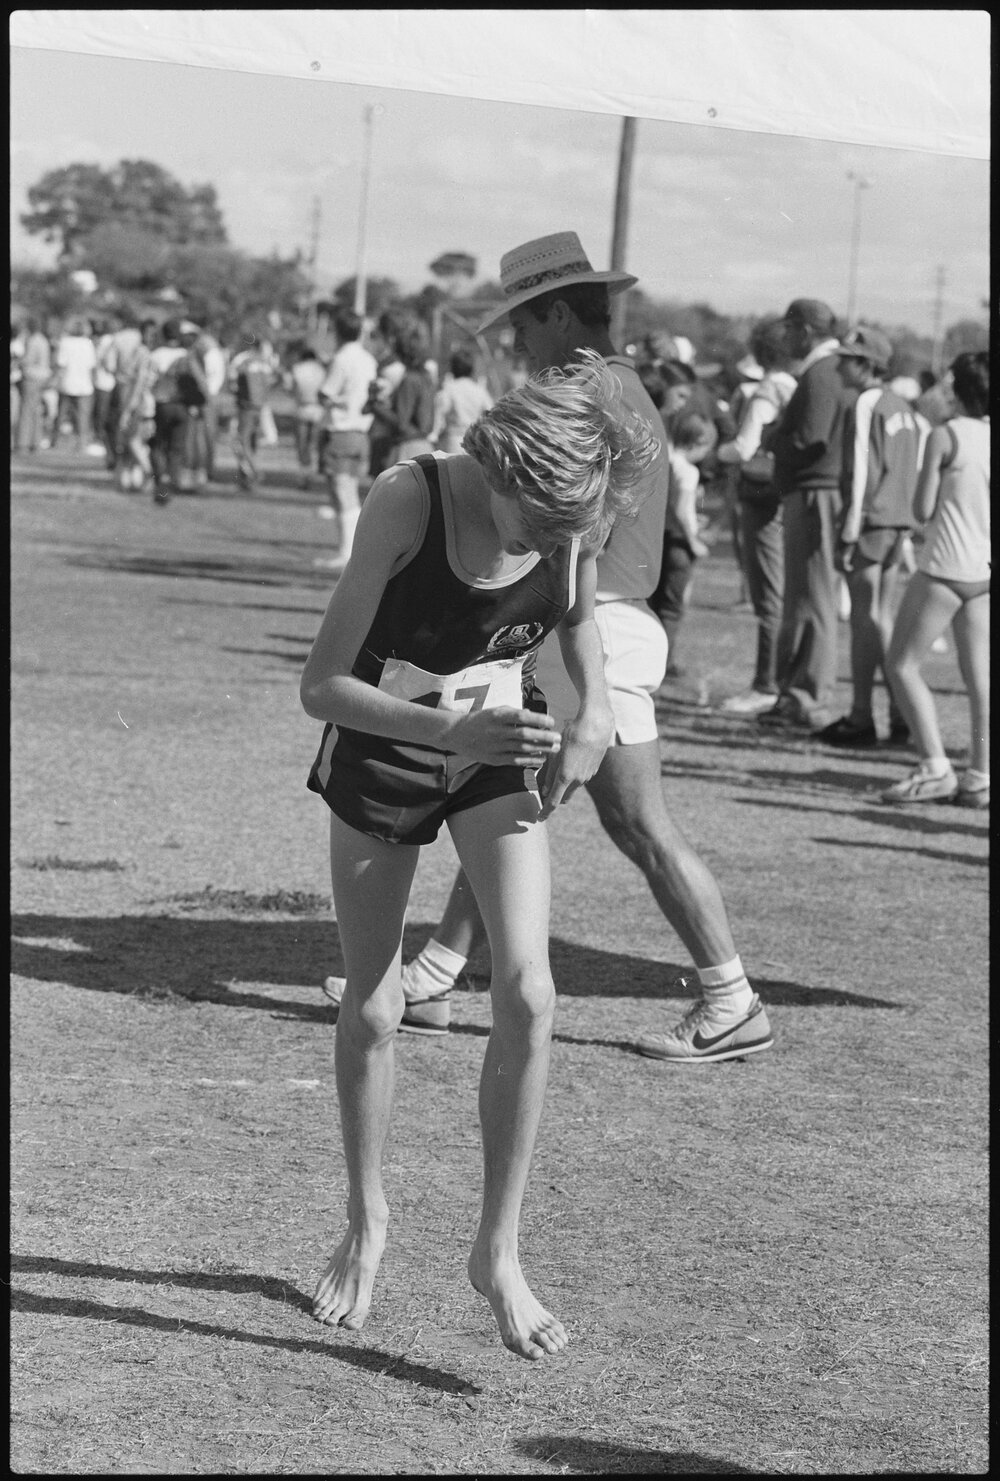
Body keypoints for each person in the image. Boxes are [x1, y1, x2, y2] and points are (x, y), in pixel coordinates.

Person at [324, 231, 774, 1065]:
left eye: (525, 324)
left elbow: (576, 561)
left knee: (631, 820)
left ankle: (731, 995)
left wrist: (590, 695)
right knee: (503, 797)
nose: (518, 343)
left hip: (589, 621)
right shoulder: (623, 387)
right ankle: (437, 972)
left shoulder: (581, 393)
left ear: (562, 313)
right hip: (582, 618)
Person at [301, 352, 657, 1358]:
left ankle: (497, 1251)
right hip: (385, 744)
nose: (550, 547)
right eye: (536, 527)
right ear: (502, 468)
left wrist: (592, 715)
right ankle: (367, 1219)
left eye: (567, 534)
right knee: (376, 1004)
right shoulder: (405, 501)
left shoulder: (571, 513)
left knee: (530, 992)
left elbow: (578, 626)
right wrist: (446, 733)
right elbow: (321, 686)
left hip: (498, 743)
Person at [882, 352, 990, 807]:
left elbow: (922, 509)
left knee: (901, 665)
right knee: (980, 679)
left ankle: (935, 767)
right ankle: (980, 775)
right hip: (984, 570)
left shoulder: (946, 435)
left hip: (945, 566)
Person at [816, 326, 926, 748]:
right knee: (881, 616)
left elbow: (862, 471)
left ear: (866, 365)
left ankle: (862, 716)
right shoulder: (904, 407)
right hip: (897, 523)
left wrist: (849, 529)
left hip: (871, 522)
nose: (838, 366)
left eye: (846, 359)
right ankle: (900, 713)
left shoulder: (866, 403)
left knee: (866, 619)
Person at [758, 298, 855, 733]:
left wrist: (773, 437)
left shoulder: (821, 371)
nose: (785, 339)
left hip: (815, 492)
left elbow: (811, 438)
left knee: (811, 598)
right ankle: (800, 694)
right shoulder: (831, 369)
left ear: (804, 330)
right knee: (810, 596)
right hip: (818, 491)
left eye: (789, 330)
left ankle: (807, 698)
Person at [716, 317, 798, 713]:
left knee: (768, 596)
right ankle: (778, 679)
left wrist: (718, 451)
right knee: (783, 592)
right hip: (788, 495)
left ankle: (766, 682)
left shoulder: (768, 390)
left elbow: (744, 448)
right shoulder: (796, 386)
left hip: (762, 497)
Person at [648, 408, 716, 677]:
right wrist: (694, 539)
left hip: (660, 541)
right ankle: (664, 664)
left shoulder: (665, 461)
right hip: (679, 544)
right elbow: (682, 509)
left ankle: (651, 659)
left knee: (655, 604)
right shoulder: (688, 471)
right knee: (672, 609)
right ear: (698, 443)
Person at [316, 308, 378, 566]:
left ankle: (347, 553)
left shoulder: (341, 359)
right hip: (361, 432)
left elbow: (325, 392)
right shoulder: (369, 359)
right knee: (350, 490)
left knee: (342, 492)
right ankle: (351, 551)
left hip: (341, 430)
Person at [371, 319, 437, 464]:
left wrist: (376, 407)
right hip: (424, 445)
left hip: (409, 447)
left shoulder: (410, 379)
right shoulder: (426, 377)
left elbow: (402, 423)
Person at [228, 330, 277, 494]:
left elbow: (232, 383)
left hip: (245, 407)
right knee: (252, 441)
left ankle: (253, 473)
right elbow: (272, 381)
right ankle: (249, 477)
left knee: (241, 441)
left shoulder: (241, 360)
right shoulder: (264, 361)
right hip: (261, 406)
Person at [114, 318, 160, 491]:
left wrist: (128, 408)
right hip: (145, 401)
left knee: (133, 440)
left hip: (139, 402)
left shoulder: (142, 353)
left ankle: (149, 472)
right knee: (136, 442)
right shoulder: (147, 353)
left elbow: (139, 383)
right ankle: (133, 480)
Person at [148, 319, 189, 503]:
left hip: (162, 404)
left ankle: (161, 480)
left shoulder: (156, 355)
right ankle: (171, 482)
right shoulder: (186, 355)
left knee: (158, 444)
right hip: (182, 406)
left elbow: (149, 382)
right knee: (176, 447)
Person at [433, 348, 494, 453]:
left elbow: (439, 414)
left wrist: (435, 434)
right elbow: (490, 413)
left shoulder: (449, 388)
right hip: (474, 440)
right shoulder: (479, 390)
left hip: (453, 440)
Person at [51, 317, 98, 454]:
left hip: (67, 383)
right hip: (84, 385)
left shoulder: (65, 342)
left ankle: (55, 441)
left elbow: (61, 364)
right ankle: (82, 444)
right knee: (83, 417)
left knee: (61, 415)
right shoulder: (88, 343)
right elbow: (92, 365)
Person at [289, 344, 326, 490]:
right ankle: (312, 473)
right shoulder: (321, 370)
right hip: (318, 409)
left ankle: (304, 475)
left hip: (302, 408)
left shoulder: (297, 369)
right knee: (313, 445)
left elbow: (293, 390)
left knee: (302, 445)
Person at [15, 317, 52, 454]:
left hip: (32, 377)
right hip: (42, 377)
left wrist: (17, 360)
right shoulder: (43, 340)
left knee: (26, 411)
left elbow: (28, 359)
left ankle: (22, 444)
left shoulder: (33, 340)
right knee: (36, 411)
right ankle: (35, 443)